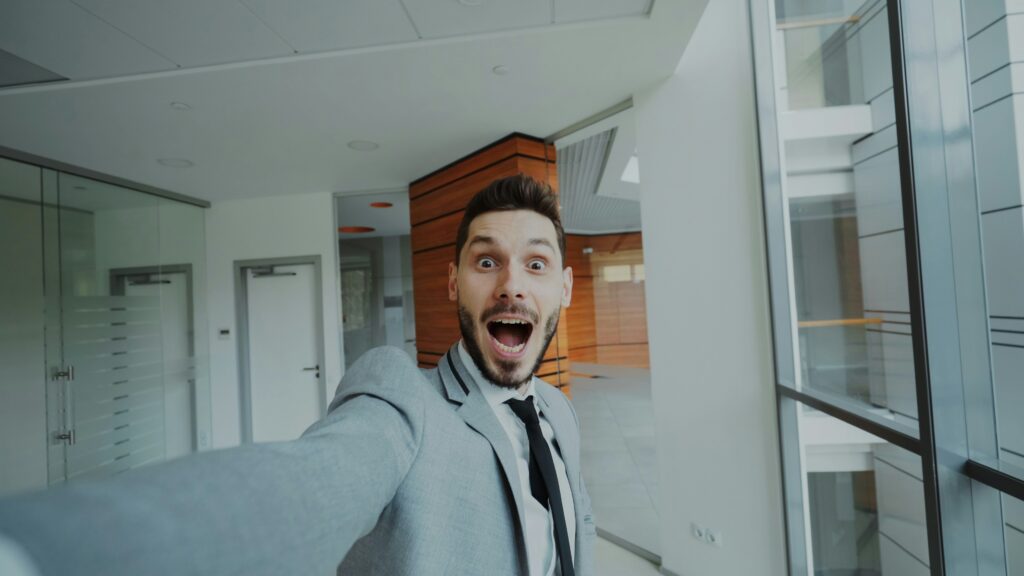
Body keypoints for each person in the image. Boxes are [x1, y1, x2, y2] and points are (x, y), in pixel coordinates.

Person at [0, 174, 595, 576]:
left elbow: (575, 529)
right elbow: (308, 484)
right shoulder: (405, 403)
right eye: (486, 261)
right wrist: (37, 555)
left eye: (536, 264)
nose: (511, 284)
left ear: (564, 288)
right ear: (452, 282)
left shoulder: (558, 410)